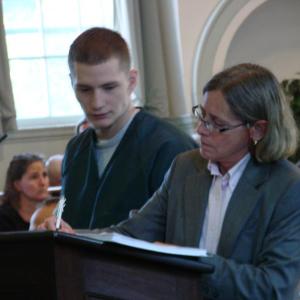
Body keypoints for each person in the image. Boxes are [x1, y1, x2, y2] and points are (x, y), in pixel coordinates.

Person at [39, 63, 300, 299]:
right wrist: (72, 237)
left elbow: (273, 286)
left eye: (216, 124)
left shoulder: (287, 187)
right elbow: (130, 235)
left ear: (257, 130)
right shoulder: (185, 167)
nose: (200, 130)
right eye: (202, 116)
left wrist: (191, 262)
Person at [61, 27, 197, 229]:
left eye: (109, 88)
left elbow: (182, 238)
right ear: (72, 84)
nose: (97, 102)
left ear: (131, 81)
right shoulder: (75, 150)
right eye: (85, 89)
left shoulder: (171, 148)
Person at [0, 153, 50, 231]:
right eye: (34, 177)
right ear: (17, 185)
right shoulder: (3, 218)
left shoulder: (53, 211)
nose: (43, 182)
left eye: (44, 175)